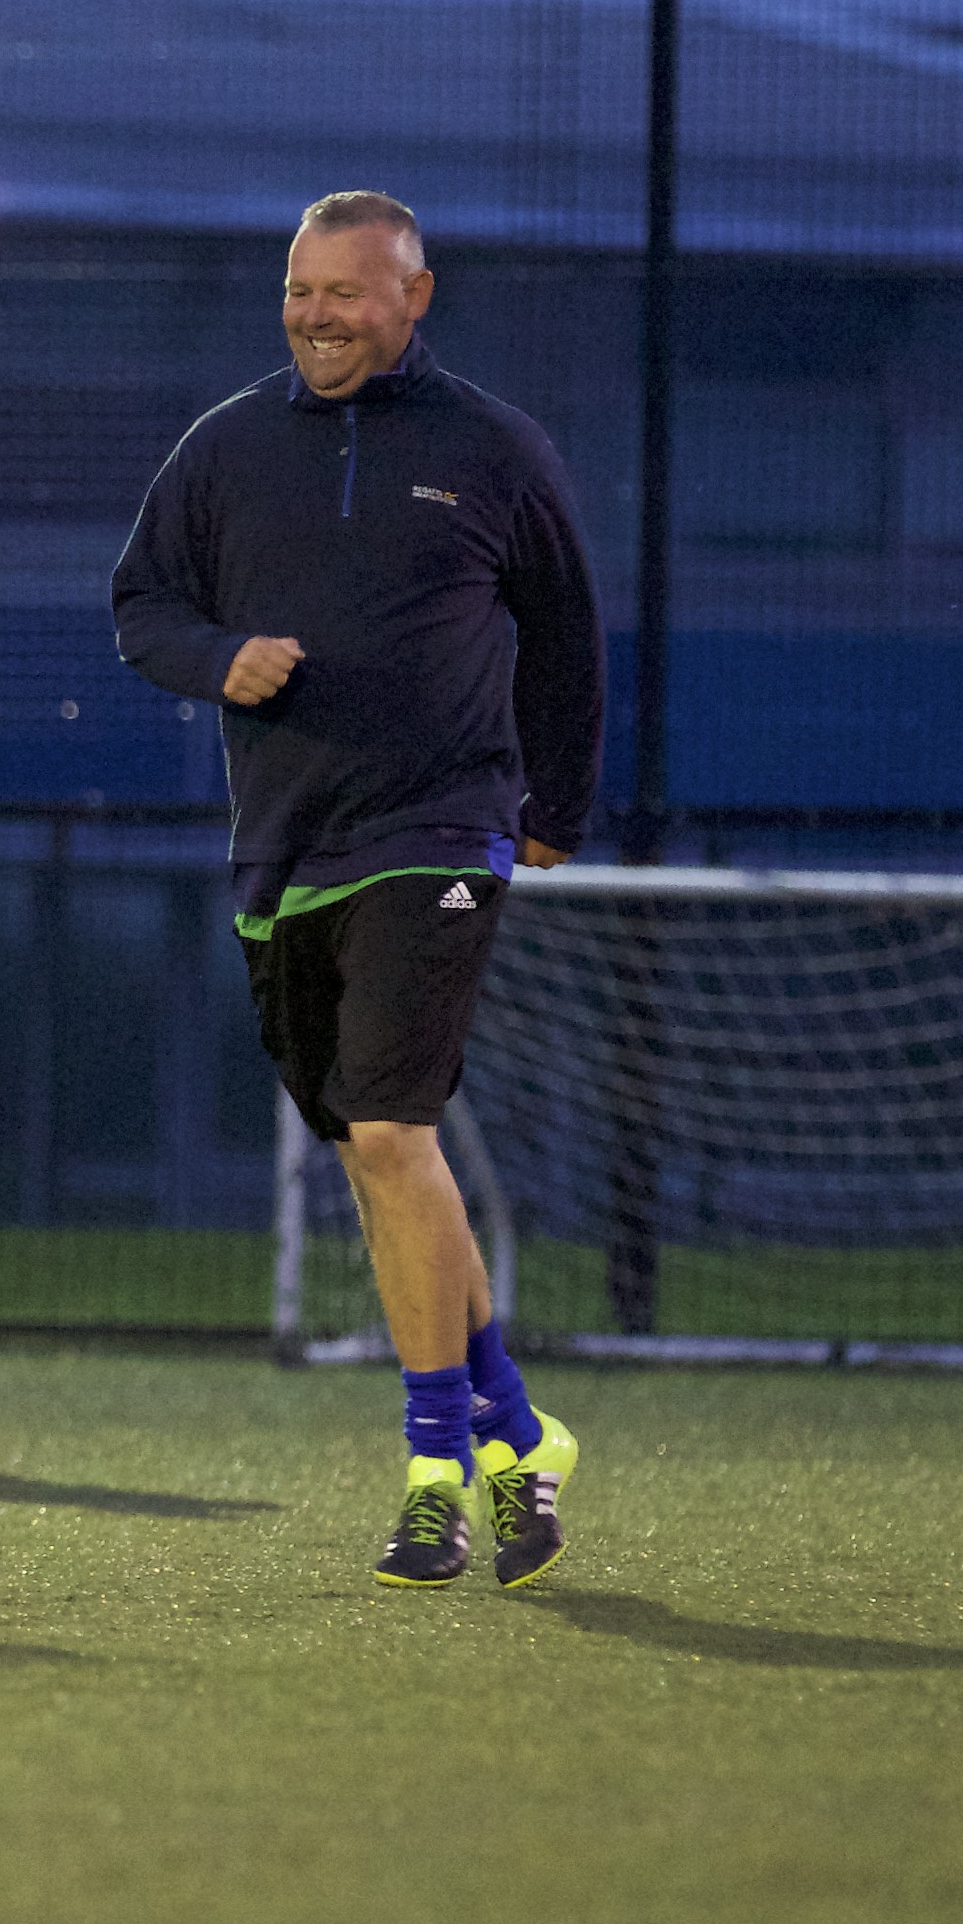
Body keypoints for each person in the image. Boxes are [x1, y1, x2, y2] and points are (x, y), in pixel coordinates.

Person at [112, 190, 603, 1589]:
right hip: (282, 848)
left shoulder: (494, 449)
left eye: (349, 292)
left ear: (416, 297)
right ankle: (521, 1433)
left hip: (442, 829)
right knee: (382, 1164)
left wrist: (554, 808)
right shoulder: (226, 446)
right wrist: (220, 660)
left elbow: (566, 631)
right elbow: (142, 606)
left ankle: (435, 1468)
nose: (319, 315)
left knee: (390, 1134)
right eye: (299, 292)